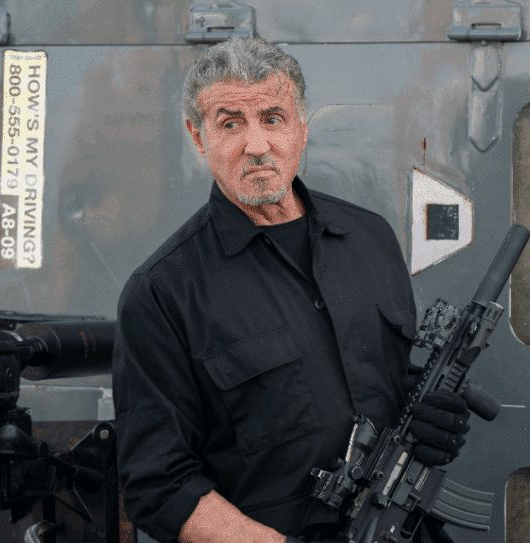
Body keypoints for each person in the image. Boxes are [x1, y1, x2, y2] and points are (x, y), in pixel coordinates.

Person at [113, 36, 470, 543]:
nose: (256, 145)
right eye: (230, 123)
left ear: (302, 127)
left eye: (273, 118)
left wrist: (428, 417)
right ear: (198, 137)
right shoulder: (162, 292)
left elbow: (371, 379)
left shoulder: (370, 238)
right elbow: (160, 486)